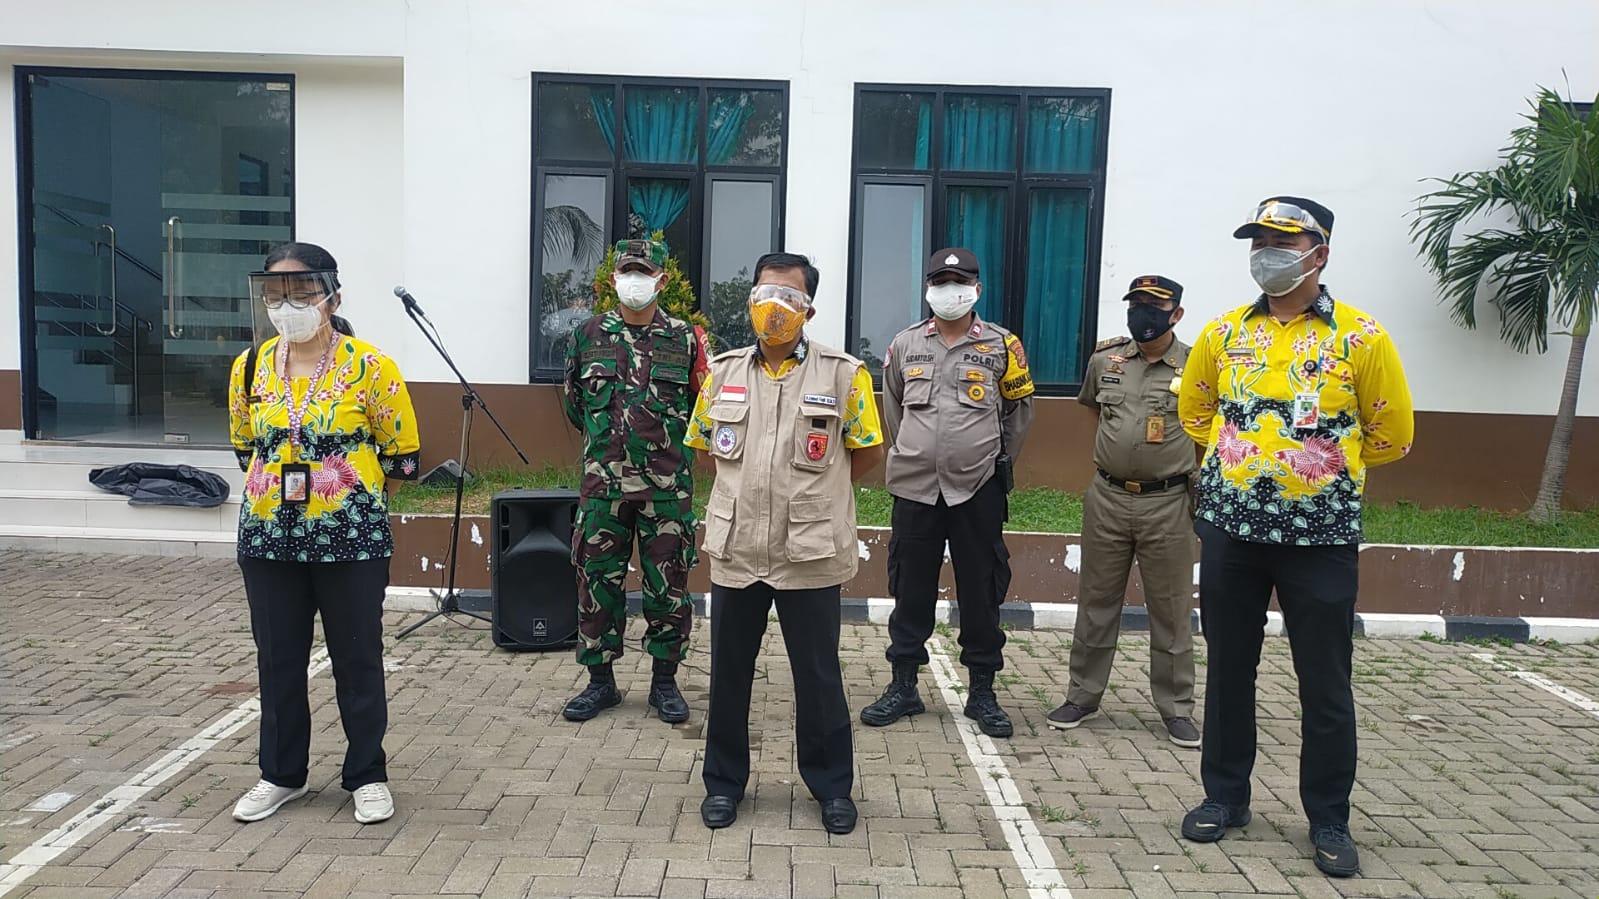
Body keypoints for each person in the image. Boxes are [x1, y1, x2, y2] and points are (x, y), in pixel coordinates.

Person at [1176, 198, 1414, 877]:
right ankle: (1224, 797)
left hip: (1321, 539)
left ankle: (1329, 817)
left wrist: (1320, 473)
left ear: (1320, 253)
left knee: (1325, 681)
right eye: (1258, 242)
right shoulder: (1225, 332)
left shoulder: (1361, 337)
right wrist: (1244, 460)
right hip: (1233, 532)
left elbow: (1392, 433)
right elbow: (1195, 409)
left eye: (1281, 242)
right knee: (1228, 670)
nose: (1266, 254)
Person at [685, 252, 885, 835]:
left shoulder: (844, 375)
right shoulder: (722, 373)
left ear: (809, 310)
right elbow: (705, 448)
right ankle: (723, 784)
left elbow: (867, 452)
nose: (775, 308)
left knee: (818, 679)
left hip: (810, 551)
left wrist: (814, 494)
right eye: (765, 295)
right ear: (751, 301)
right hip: (738, 549)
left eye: (789, 299)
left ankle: (832, 787)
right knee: (728, 676)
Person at [227, 241, 420, 825]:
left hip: (351, 539)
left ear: (332, 297)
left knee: (357, 657)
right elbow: (245, 446)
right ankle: (280, 774)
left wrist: (347, 498)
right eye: (276, 292)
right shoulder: (250, 366)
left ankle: (366, 774)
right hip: (269, 538)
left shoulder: (371, 367)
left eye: (302, 291)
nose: (288, 304)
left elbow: (402, 456)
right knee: (278, 658)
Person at [860, 247, 1034, 739]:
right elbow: (894, 410)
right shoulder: (905, 344)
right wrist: (921, 452)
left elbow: (1019, 414)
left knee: (981, 588)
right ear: (928, 289)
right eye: (940, 282)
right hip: (916, 487)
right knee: (909, 586)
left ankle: (982, 691)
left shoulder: (1003, 346)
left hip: (978, 487)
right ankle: (903, 686)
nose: (948, 290)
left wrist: (990, 458)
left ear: (977, 289)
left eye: (958, 282)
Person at [560, 239, 709, 724]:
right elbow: (575, 405)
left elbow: (704, 406)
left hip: (666, 489)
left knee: (669, 587)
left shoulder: (687, 339)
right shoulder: (587, 336)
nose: (635, 281)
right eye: (628, 272)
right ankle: (599, 683)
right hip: (603, 487)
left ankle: (664, 683)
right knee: (596, 584)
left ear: (661, 280)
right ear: (614, 279)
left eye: (644, 273)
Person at [1049, 275, 1201, 749]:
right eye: (1136, 305)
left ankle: (1176, 708)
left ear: (1176, 314)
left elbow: (1208, 427)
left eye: (1154, 306)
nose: (1142, 314)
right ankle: (1082, 696)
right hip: (1108, 498)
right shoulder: (1105, 360)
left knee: (1171, 608)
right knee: (1096, 602)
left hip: (1168, 501)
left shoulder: (1198, 365)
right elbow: (1096, 413)